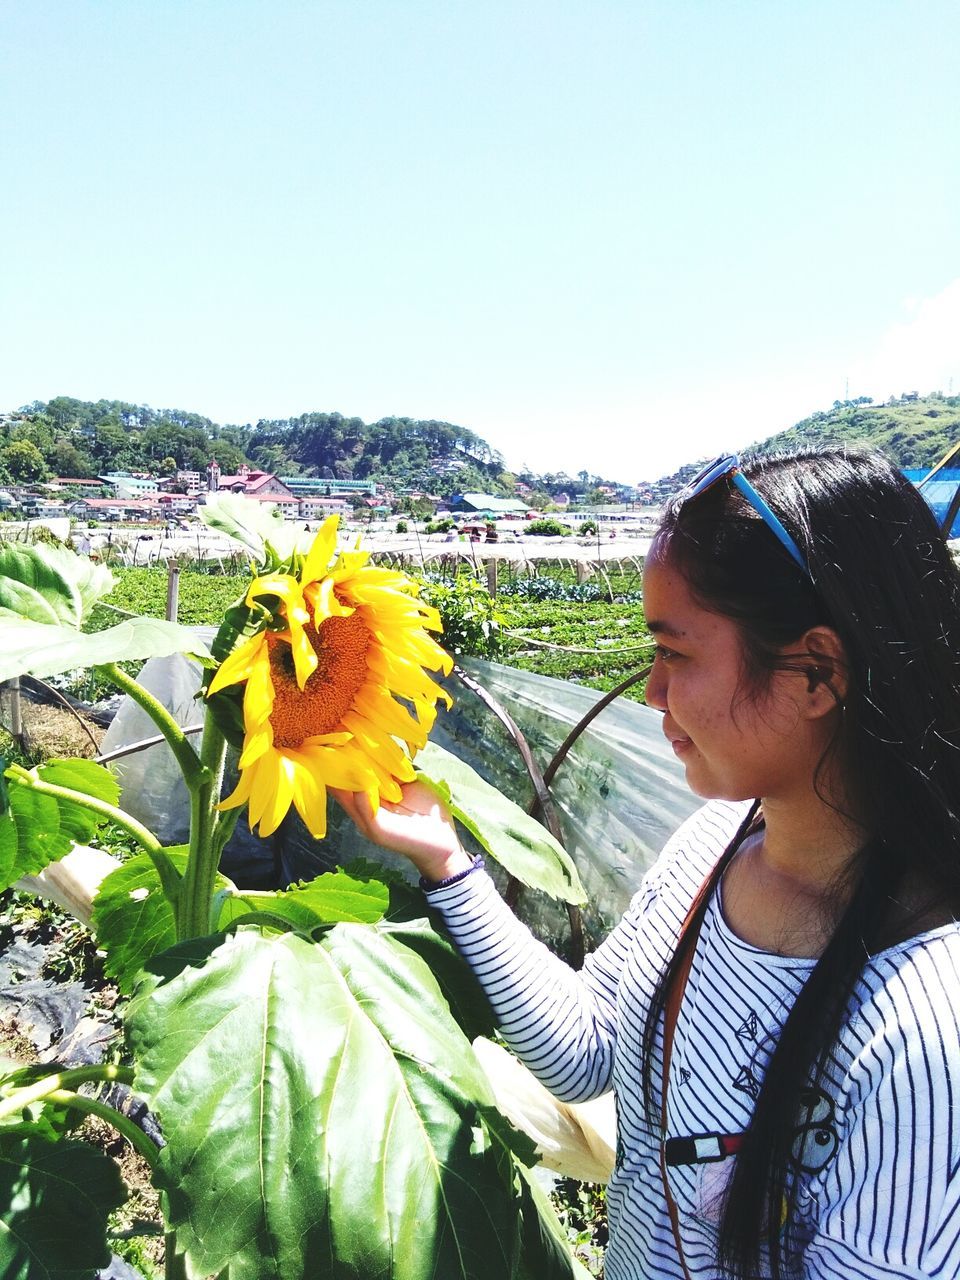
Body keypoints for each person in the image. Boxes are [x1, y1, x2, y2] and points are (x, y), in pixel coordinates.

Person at [335, 448, 960, 1280]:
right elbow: (590, 1047)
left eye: (677, 654)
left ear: (816, 671)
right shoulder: (713, 845)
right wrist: (447, 861)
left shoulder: (923, 1029)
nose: (653, 694)